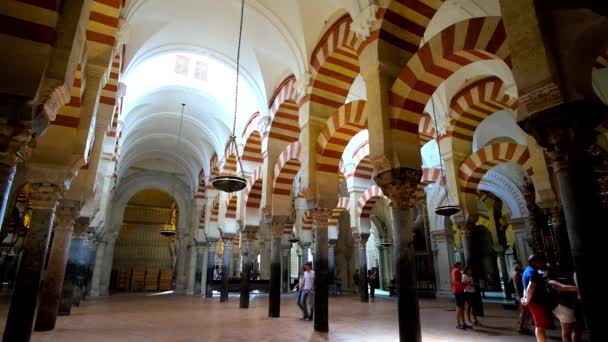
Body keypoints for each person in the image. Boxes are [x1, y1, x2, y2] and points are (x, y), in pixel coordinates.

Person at [521, 255, 551, 342]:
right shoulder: (532, 272)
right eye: (539, 261)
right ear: (533, 262)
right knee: (540, 326)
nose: (541, 263)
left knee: (539, 325)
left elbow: (525, 287)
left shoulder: (527, 270)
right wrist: (527, 300)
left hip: (533, 302)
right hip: (536, 302)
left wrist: (525, 297)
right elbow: (530, 287)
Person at [548, 273, 582, 342]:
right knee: (567, 332)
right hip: (563, 306)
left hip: (570, 305)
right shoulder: (551, 281)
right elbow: (563, 287)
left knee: (576, 330)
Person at [512, 261, 532, 335]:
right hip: (520, 294)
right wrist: (518, 295)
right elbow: (516, 286)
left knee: (525, 310)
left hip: (522, 293)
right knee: (524, 310)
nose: (520, 266)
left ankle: (523, 326)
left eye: (520, 264)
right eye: (518, 265)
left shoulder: (519, 272)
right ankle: (521, 327)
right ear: (515, 265)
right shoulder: (516, 273)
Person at [451, 262, 466, 330]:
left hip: (460, 290)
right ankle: (458, 324)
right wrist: (461, 284)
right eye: (461, 265)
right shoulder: (456, 271)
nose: (462, 266)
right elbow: (454, 280)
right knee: (459, 307)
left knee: (462, 307)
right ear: (457, 265)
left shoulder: (458, 271)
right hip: (457, 291)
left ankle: (463, 323)